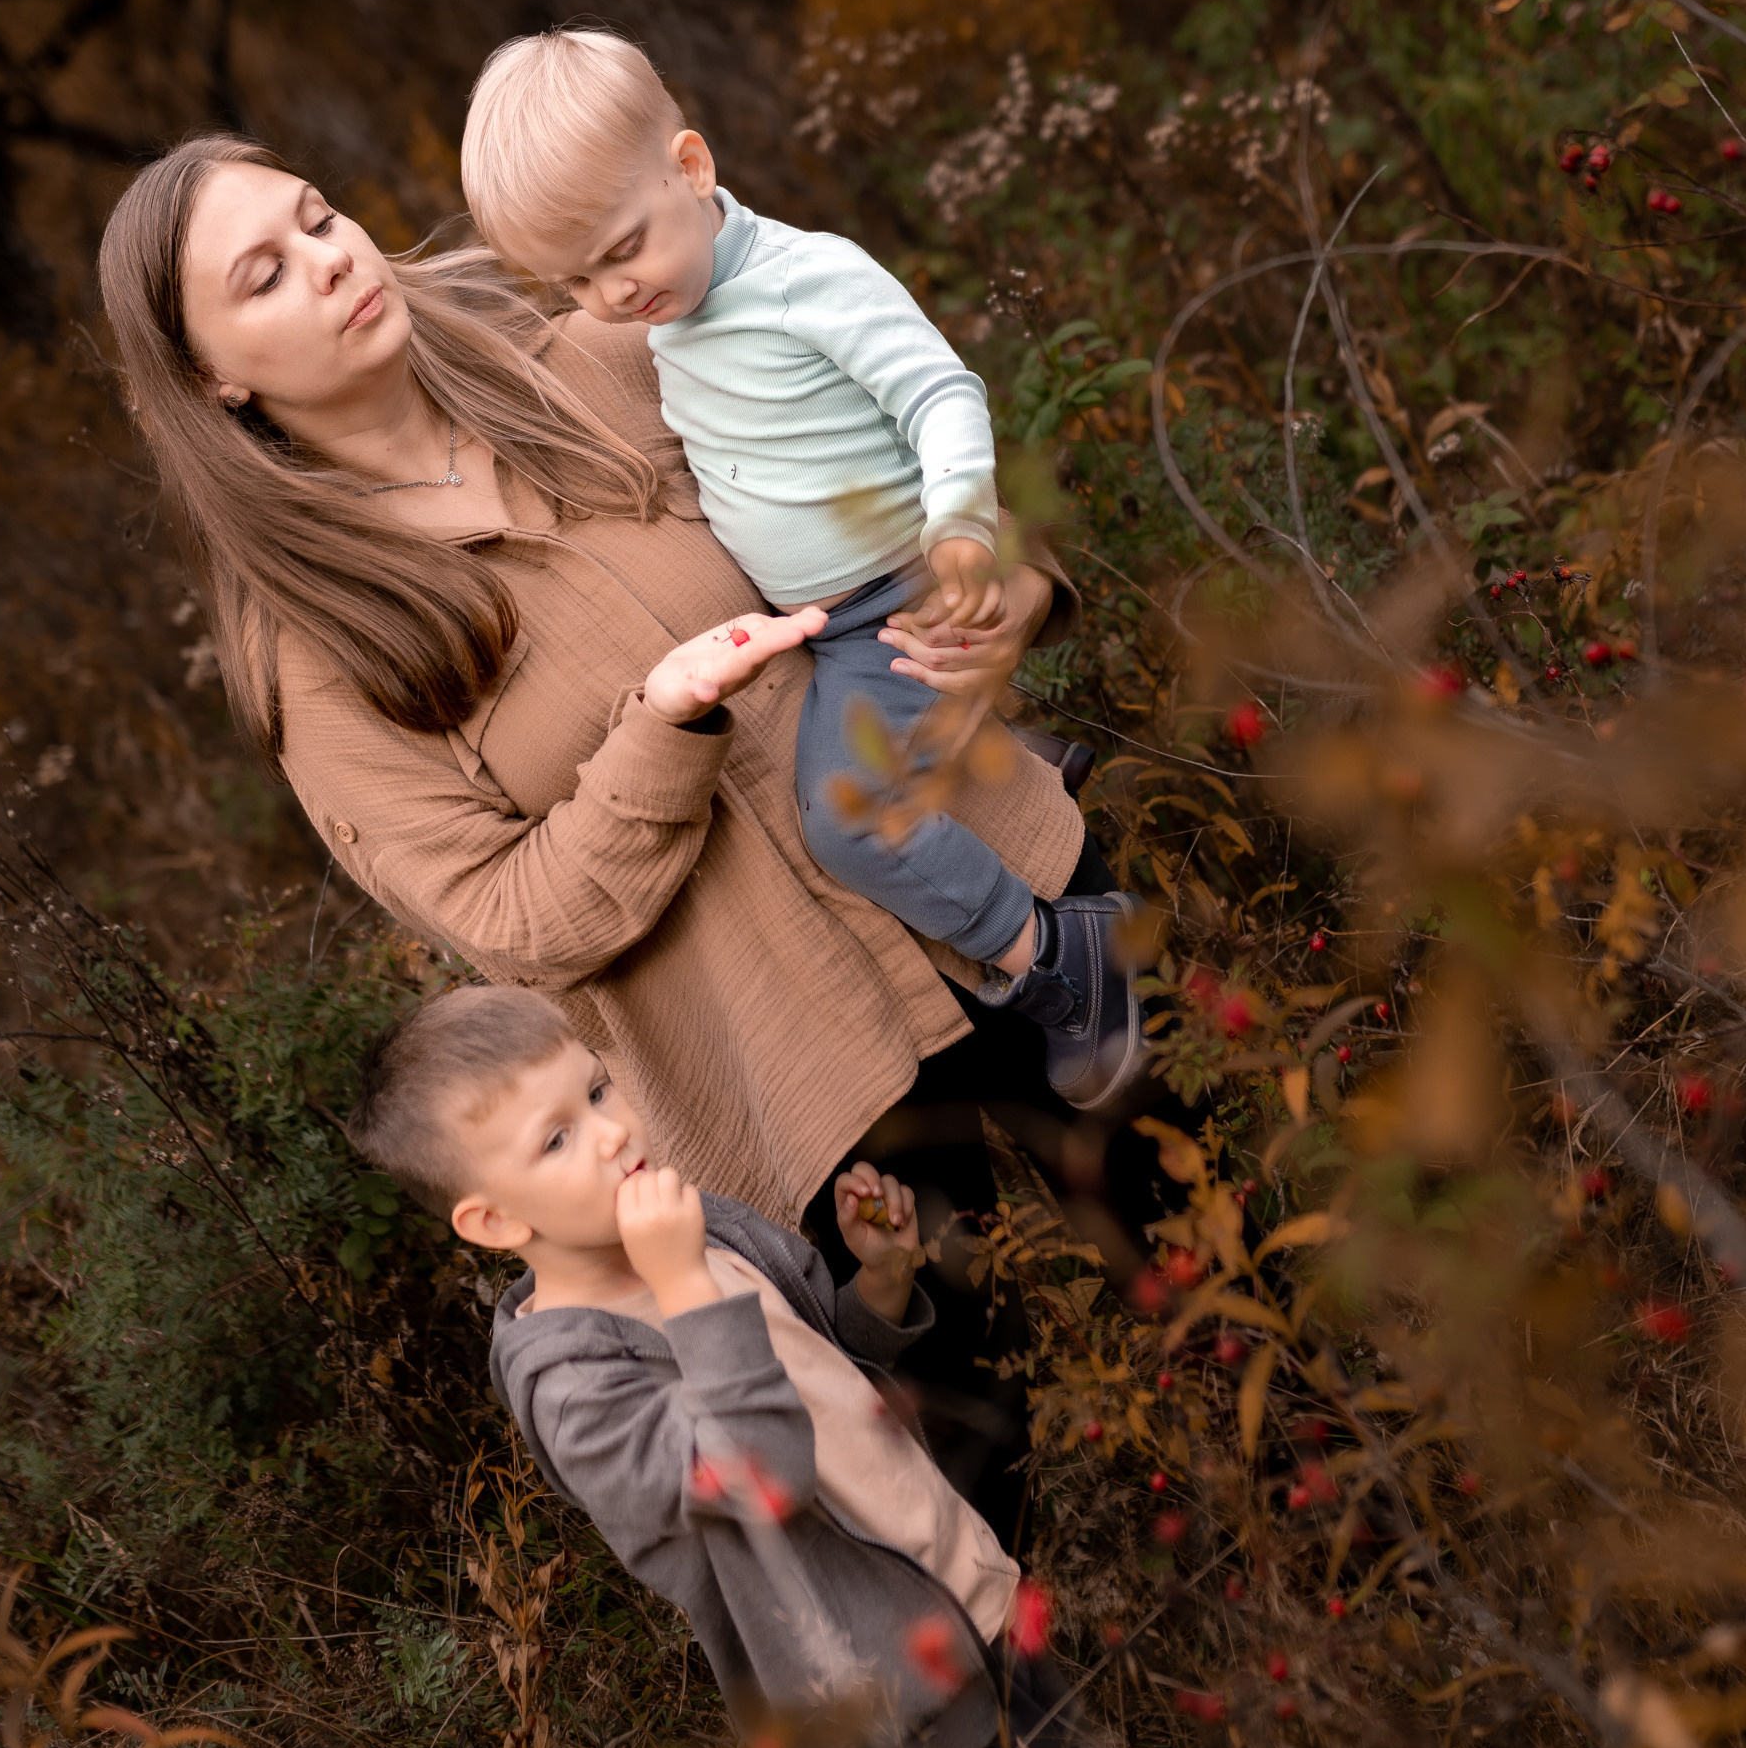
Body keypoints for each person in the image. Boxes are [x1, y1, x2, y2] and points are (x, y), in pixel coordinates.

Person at [95, 131, 1151, 1542]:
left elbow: (867, 473)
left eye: (321, 214)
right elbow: (514, 923)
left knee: (1238, 1267)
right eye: (266, 273)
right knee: (972, 1467)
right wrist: (662, 726)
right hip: (802, 1068)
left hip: (1009, 903)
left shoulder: (597, 359)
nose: (334, 256)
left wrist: (1008, 584)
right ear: (215, 379)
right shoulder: (322, 656)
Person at [457, 26, 1143, 1117]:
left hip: (894, 596)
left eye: (622, 247)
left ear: (691, 167)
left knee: (847, 816)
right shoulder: (670, 313)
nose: (612, 291)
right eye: (575, 277)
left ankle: (1054, 950)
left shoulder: (804, 278)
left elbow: (938, 391)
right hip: (829, 624)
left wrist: (964, 529)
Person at [347, 982, 1067, 1748]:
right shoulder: (578, 1388)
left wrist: (880, 1282)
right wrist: (683, 1283)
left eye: (596, 1089)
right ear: (494, 1221)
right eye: (557, 1139)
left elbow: (819, 1373)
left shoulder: (703, 1227)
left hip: (976, 1591)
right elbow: (766, 1477)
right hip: (898, 1718)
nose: (613, 1132)